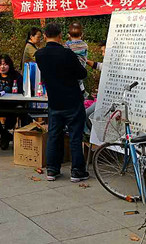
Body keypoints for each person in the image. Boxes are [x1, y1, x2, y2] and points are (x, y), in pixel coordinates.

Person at [35, 22, 89, 182]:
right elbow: (82, 73)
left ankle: (52, 170)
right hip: (73, 100)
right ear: (60, 36)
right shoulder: (67, 54)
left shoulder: (40, 55)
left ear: (45, 36)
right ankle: (77, 171)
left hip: (54, 101)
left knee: (54, 135)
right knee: (75, 136)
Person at [0, 54, 24, 150]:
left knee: (15, 113)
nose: (2, 67)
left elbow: (22, 90)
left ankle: (5, 135)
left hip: (12, 105)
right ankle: (5, 134)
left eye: (5, 64)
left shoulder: (16, 76)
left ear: (9, 65)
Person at [65, 22, 89, 98]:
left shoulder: (67, 44)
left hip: (70, 71)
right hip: (81, 69)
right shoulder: (85, 45)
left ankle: (82, 93)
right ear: (82, 34)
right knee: (79, 81)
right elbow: (85, 57)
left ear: (68, 34)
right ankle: (83, 93)